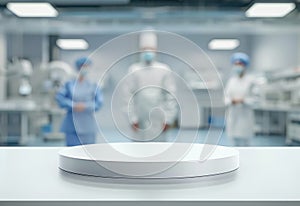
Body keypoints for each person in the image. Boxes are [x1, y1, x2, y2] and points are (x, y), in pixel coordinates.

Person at [124, 31, 177, 141]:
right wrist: (132, 118)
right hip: (140, 118)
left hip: (159, 118)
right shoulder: (134, 70)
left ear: (156, 50)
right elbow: (127, 96)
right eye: (145, 49)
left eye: (151, 49)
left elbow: (170, 96)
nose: (148, 52)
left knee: (159, 151)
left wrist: (169, 119)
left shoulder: (164, 70)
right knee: (140, 152)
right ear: (140, 51)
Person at [56, 57, 103, 146]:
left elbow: (99, 103)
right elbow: (60, 98)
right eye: (82, 66)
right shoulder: (69, 84)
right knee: (72, 152)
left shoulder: (93, 85)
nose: (84, 68)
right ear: (78, 68)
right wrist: (73, 106)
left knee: (88, 153)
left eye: (86, 66)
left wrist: (85, 106)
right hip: (71, 125)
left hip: (88, 125)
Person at [225, 52, 254, 146]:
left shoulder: (251, 81)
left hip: (245, 116)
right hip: (233, 115)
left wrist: (243, 101)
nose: (237, 66)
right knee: (234, 143)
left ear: (245, 65)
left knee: (245, 145)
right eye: (235, 64)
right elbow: (225, 98)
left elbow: (256, 99)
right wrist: (231, 101)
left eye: (240, 64)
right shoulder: (231, 81)